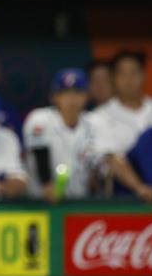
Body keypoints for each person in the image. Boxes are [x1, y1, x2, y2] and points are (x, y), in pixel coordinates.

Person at [88, 50, 152, 201]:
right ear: (113, 78)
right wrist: (140, 188)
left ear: (144, 75)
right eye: (122, 73)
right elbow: (111, 159)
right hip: (122, 197)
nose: (129, 79)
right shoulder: (99, 116)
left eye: (134, 72)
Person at [23, 69, 99, 202]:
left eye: (78, 92)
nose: (72, 98)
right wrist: (47, 184)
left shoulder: (94, 123)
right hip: (40, 202)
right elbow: (39, 152)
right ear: (55, 97)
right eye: (66, 93)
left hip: (79, 202)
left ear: (87, 97)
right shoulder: (40, 119)